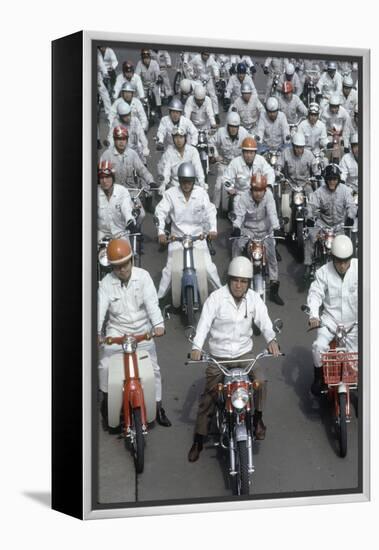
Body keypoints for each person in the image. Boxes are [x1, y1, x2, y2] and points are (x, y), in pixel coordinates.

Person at [187, 256, 281, 462]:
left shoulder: (254, 299)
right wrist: (196, 347)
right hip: (219, 356)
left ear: (248, 283)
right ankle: (198, 440)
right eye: (235, 280)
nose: (239, 285)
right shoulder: (216, 298)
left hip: (244, 354)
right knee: (208, 398)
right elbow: (203, 324)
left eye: (244, 281)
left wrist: (271, 339)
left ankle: (257, 419)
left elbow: (264, 321)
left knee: (261, 381)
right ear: (229, 279)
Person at [98, 239, 171, 427]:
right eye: (118, 266)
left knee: (154, 370)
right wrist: (96, 332)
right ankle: (108, 403)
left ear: (132, 260)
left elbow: (152, 304)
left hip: (142, 331)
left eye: (126, 264)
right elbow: (100, 310)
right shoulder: (106, 284)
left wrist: (158, 325)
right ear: (112, 267)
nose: (123, 269)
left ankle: (158, 406)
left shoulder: (144, 277)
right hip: (116, 332)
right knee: (105, 367)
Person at [155, 162, 221, 300]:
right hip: (177, 238)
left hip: (198, 238)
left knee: (209, 268)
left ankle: (223, 296)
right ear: (179, 180)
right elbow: (160, 212)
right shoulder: (170, 194)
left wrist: (213, 229)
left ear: (194, 181)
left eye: (189, 181)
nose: (186, 185)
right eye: (183, 181)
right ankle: (158, 300)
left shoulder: (201, 193)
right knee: (169, 270)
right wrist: (161, 232)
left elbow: (210, 210)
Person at [306, 235, 357, 395]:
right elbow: (315, 294)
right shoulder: (323, 272)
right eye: (338, 261)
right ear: (332, 258)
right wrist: (314, 316)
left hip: (355, 324)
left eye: (346, 260)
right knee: (318, 347)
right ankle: (319, 378)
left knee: (359, 360)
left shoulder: (361, 268)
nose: (342, 265)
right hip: (330, 323)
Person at [232, 173, 284, 305]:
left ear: (265, 190)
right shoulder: (243, 198)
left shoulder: (269, 196)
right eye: (255, 190)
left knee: (272, 256)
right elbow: (239, 215)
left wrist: (276, 227)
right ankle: (234, 277)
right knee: (237, 246)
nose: (258, 194)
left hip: (265, 232)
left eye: (261, 190)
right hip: (248, 231)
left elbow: (272, 213)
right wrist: (236, 226)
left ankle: (274, 289)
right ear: (251, 189)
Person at [303, 163, 357, 279]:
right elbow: (311, 206)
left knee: (348, 242)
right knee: (310, 237)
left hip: (339, 226)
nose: (332, 182)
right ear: (326, 180)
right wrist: (309, 218)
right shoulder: (319, 192)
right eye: (329, 179)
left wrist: (350, 217)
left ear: (338, 179)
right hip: (322, 225)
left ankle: (350, 267)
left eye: (334, 179)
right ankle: (308, 265)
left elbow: (351, 206)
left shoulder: (345, 190)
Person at [100, 126, 155, 227]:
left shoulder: (132, 154)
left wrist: (151, 181)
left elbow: (142, 170)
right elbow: (100, 174)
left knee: (141, 214)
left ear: (127, 140)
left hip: (131, 192)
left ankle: (136, 235)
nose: (121, 142)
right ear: (114, 139)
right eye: (118, 139)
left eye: (123, 139)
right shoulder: (107, 155)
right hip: (113, 192)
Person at [208, 111, 249, 209]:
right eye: (231, 126)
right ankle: (215, 209)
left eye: (235, 127)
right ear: (227, 125)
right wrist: (216, 155)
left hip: (239, 165)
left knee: (245, 185)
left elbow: (251, 144)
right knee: (218, 186)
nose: (233, 129)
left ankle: (245, 207)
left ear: (238, 127)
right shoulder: (221, 132)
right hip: (224, 164)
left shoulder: (244, 133)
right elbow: (211, 142)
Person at [223, 136, 275, 203]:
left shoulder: (260, 160)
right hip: (241, 195)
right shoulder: (235, 163)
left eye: (251, 153)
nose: (249, 156)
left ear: (255, 153)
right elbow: (226, 179)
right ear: (242, 152)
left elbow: (270, 172)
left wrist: (269, 186)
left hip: (258, 194)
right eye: (246, 152)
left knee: (269, 198)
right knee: (236, 205)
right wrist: (230, 189)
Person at [158, 127, 206, 194]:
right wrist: (163, 184)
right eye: (176, 137)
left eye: (181, 137)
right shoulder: (169, 152)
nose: (178, 140)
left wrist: (202, 183)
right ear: (173, 139)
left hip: (190, 186)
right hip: (174, 187)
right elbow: (166, 170)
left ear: (185, 138)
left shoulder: (193, 151)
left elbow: (198, 169)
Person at [97, 160, 134, 242]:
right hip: (101, 234)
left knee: (127, 253)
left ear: (113, 178)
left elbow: (126, 208)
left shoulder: (122, 191)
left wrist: (130, 220)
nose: (104, 181)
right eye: (101, 177)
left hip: (120, 234)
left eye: (107, 177)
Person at [280, 132, 316, 197]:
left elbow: (315, 169)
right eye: (297, 147)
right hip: (290, 184)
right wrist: (279, 174)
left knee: (311, 196)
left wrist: (315, 177)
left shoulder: (309, 154)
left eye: (301, 147)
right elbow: (278, 165)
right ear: (293, 145)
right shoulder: (286, 153)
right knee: (285, 198)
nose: (299, 150)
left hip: (305, 184)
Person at [189, 51, 220, 123]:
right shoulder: (196, 58)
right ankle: (194, 113)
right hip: (200, 80)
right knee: (198, 95)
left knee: (213, 96)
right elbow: (189, 65)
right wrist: (192, 74)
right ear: (202, 54)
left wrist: (216, 75)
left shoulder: (211, 59)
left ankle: (216, 114)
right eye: (205, 55)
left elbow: (215, 67)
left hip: (209, 80)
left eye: (208, 55)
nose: (206, 56)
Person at [135, 48, 162, 118]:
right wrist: (136, 82)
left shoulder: (154, 63)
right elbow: (136, 75)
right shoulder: (139, 63)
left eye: (147, 58)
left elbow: (158, 74)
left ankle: (159, 109)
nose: (146, 60)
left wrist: (159, 78)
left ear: (150, 57)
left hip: (153, 84)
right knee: (138, 98)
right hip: (143, 85)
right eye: (144, 58)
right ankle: (138, 112)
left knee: (156, 93)